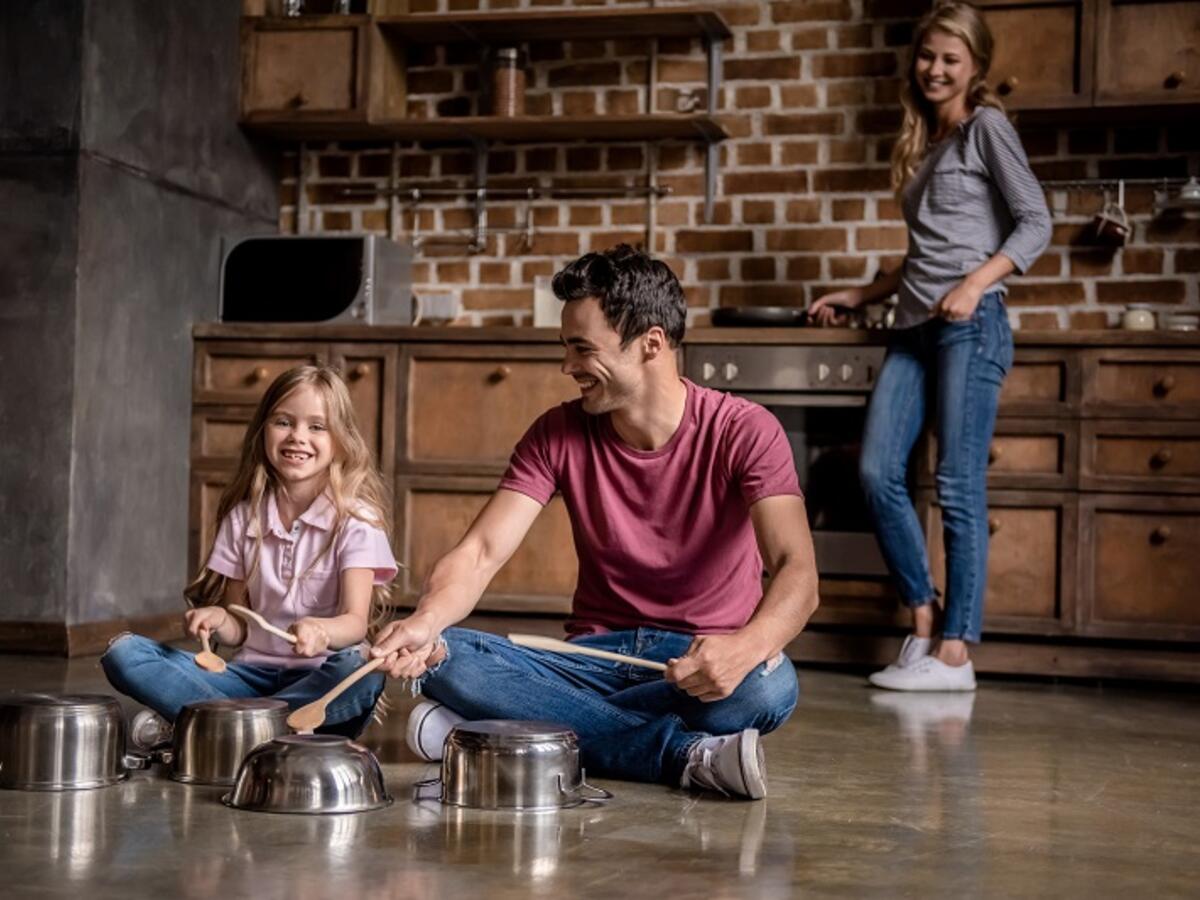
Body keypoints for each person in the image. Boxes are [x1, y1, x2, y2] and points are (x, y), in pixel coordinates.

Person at [371, 245, 819, 800]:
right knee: (446, 656)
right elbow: (482, 551)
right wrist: (427, 619)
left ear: (651, 344)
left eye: (582, 349)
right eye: (565, 348)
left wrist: (746, 646)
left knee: (768, 687)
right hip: (587, 658)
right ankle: (682, 754)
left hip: (698, 662)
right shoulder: (554, 433)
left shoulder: (745, 430)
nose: (567, 367)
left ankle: (511, 729)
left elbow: (797, 571)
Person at [809, 2, 1051, 691]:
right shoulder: (928, 142)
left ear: (975, 67)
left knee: (955, 485)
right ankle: (922, 619)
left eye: (951, 59)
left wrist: (976, 284)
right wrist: (863, 293)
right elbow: (923, 255)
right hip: (913, 325)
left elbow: (1036, 222)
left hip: (970, 326)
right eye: (927, 56)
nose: (936, 69)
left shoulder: (987, 128)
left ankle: (956, 653)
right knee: (877, 472)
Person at [102, 365, 398, 746]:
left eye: (316, 427)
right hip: (246, 677)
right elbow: (240, 624)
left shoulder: (358, 520)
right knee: (124, 654)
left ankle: (220, 723)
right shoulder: (243, 516)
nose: (298, 437)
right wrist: (218, 618)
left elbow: (355, 624)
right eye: (284, 422)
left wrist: (323, 631)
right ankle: (272, 728)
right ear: (263, 431)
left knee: (362, 668)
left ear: (341, 441)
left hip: (320, 675)